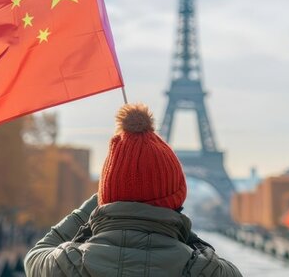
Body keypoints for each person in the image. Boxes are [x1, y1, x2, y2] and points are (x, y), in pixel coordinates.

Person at [24, 104, 242, 276]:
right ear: (175, 202)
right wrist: (178, 225)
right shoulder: (209, 271)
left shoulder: (64, 265)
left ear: (105, 198)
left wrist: (100, 200)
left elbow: (36, 254)